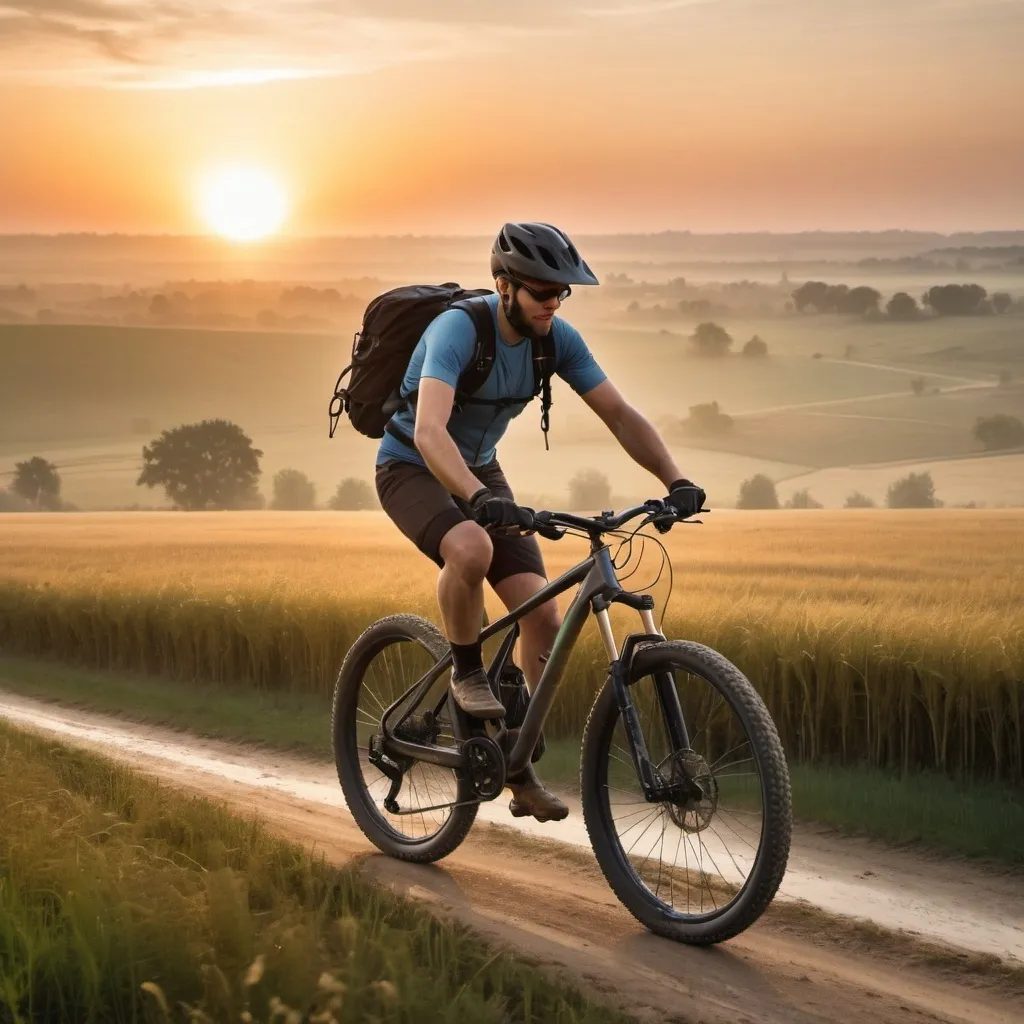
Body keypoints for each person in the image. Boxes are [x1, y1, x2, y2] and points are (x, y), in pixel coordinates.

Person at [375, 222, 705, 822]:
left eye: (561, 294)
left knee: (544, 616)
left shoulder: (557, 340)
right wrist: (477, 498)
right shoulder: (458, 330)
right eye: (541, 293)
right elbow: (428, 433)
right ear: (504, 286)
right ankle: (467, 675)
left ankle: (517, 768)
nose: (553, 304)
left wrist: (674, 479)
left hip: (479, 471)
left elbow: (619, 414)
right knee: (471, 549)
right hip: (411, 464)